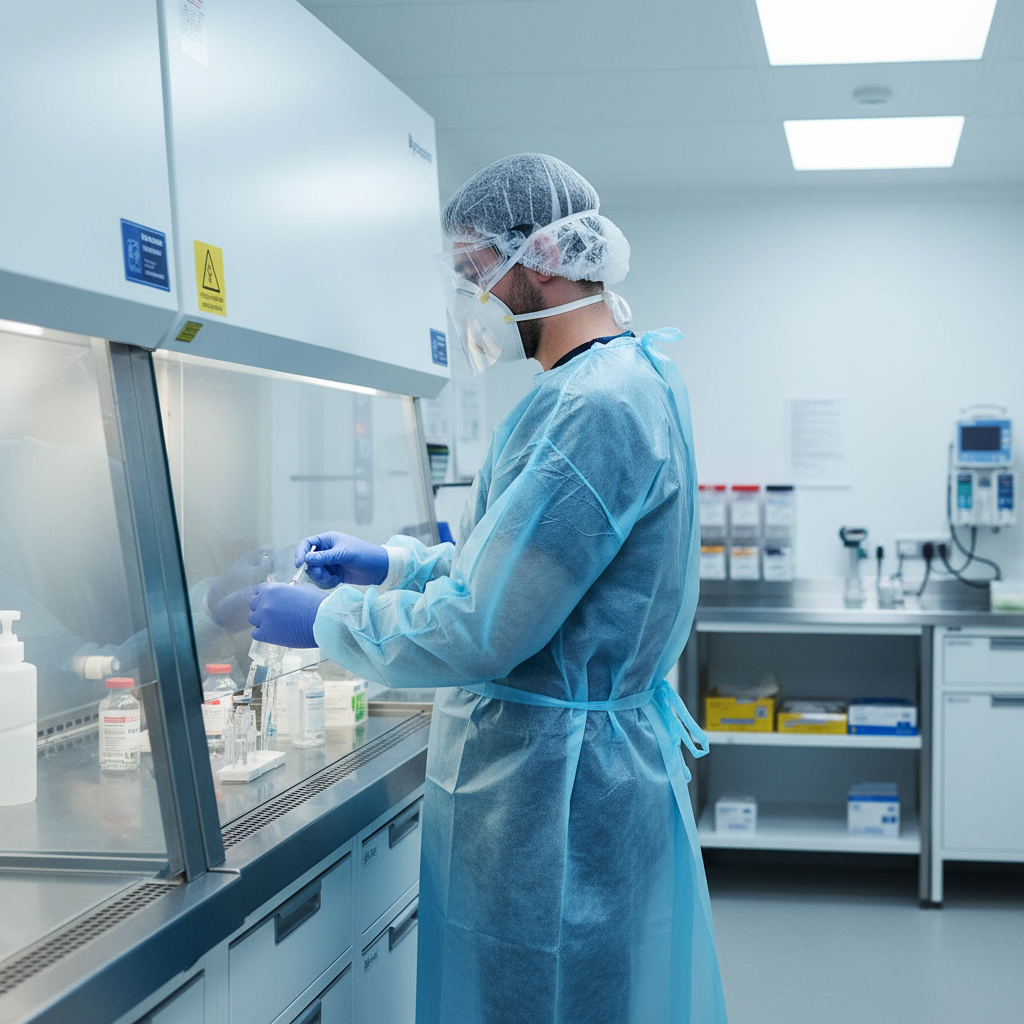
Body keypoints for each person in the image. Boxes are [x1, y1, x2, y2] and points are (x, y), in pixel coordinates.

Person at [248, 153, 728, 1024]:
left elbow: (483, 625)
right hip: (578, 771)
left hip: (556, 792)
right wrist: (390, 565)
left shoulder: (591, 408)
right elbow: (522, 571)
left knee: (543, 996)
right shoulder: (626, 378)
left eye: (478, 273)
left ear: (538, 258)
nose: (475, 299)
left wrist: (330, 620)